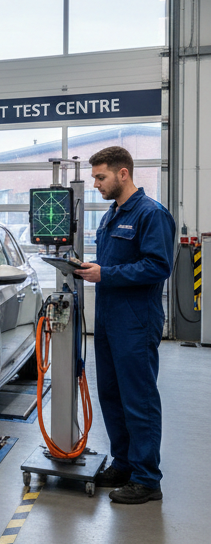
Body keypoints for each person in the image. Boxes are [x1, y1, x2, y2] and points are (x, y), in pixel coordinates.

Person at [76, 146, 174, 505]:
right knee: (112, 395)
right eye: (94, 178)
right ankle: (124, 464)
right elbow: (112, 264)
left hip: (135, 322)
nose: (96, 184)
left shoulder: (151, 215)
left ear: (123, 174)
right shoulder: (111, 216)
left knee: (139, 398)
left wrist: (106, 273)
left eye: (100, 177)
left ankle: (148, 479)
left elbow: (158, 266)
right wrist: (90, 268)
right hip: (108, 320)